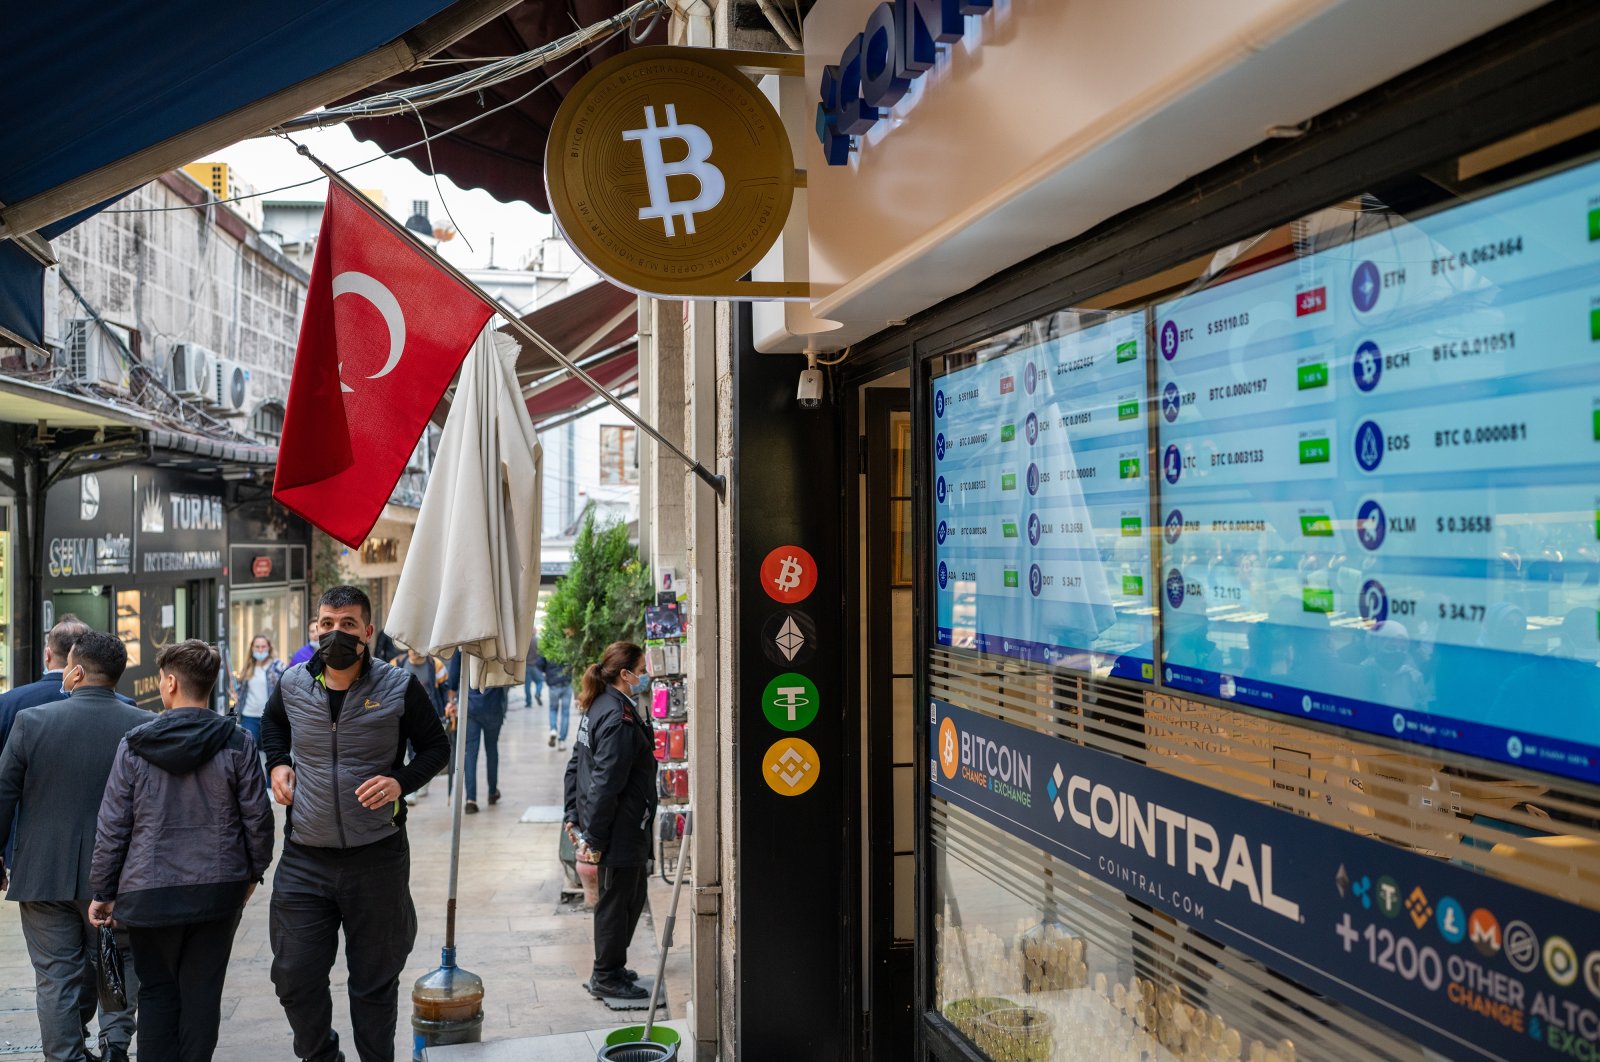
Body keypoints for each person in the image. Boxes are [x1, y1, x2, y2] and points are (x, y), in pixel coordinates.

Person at [261, 585, 450, 1062]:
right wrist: (278, 763)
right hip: (306, 857)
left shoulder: (399, 686)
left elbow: (436, 748)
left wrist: (400, 782)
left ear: (368, 631)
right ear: (315, 628)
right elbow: (272, 727)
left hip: (377, 858)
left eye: (347, 625)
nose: (335, 634)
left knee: (373, 984)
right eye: (327, 624)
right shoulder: (291, 683)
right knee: (294, 975)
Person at [89, 639, 275, 1062]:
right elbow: (258, 820)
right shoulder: (237, 741)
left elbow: (113, 826)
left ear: (169, 683)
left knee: (156, 993)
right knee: (202, 994)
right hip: (218, 889)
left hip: (149, 893)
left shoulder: (135, 745)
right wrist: (251, 875)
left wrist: (102, 890)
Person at [0, 631, 148, 1062]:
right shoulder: (142, 726)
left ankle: (64, 1057)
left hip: (43, 873)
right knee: (119, 962)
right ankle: (115, 1046)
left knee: (55, 977)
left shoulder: (34, 721)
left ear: (75, 670)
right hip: (118, 876)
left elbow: (4, 793)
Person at [563, 641, 658, 1002]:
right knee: (620, 901)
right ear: (625, 673)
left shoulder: (599, 705)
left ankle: (613, 966)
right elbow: (606, 781)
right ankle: (605, 975)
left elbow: (576, 763)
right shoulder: (618, 717)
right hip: (619, 827)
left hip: (612, 824)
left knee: (630, 896)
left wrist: (573, 813)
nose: (644, 674)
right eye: (641, 668)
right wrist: (596, 838)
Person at [447, 651, 507, 814]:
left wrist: (451, 701)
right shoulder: (499, 640)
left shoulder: (464, 644)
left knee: (470, 753)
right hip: (494, 707)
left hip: (470, 707)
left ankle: (470, 800)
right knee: (492, 750)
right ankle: (492, 792)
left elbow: (453, 677)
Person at [391, 646, 449, 803]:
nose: (415, 650)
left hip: (431, 716)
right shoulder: (396, 664)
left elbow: (444, 690)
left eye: (418, 647)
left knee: (427, 752)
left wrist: (445, 711)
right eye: (411, 647)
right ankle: (412, 790)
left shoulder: (436, 665)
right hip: (404, 717)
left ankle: (421, 786)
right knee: (409, 752)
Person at [232, 633, 285, 747]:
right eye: (257, 647)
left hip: (271, 718)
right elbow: (241, 692)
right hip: (249, 717)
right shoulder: (248, 667)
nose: (260, 650)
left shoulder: (278, 667)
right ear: (252, 648)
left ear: (269, 648)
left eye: (263, 646)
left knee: (272, 753)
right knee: (248, 751)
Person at [542, 655, 573, 750]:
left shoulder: (548, 646)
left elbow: (539, 663)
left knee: (553, 709)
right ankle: (562, 741)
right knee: (565, 713)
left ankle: (553, 730)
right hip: (566, 683)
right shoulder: (567, 645)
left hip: (554, 684)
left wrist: (547, 671)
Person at [524, 632, 544, 709]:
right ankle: (537, 693)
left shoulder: (525, 641)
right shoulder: (536, 640)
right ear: (534, 632)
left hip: (526, 666)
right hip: (534, 665)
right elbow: (540, 652)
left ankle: (528, 702)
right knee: (540, 681)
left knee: (527, 685)